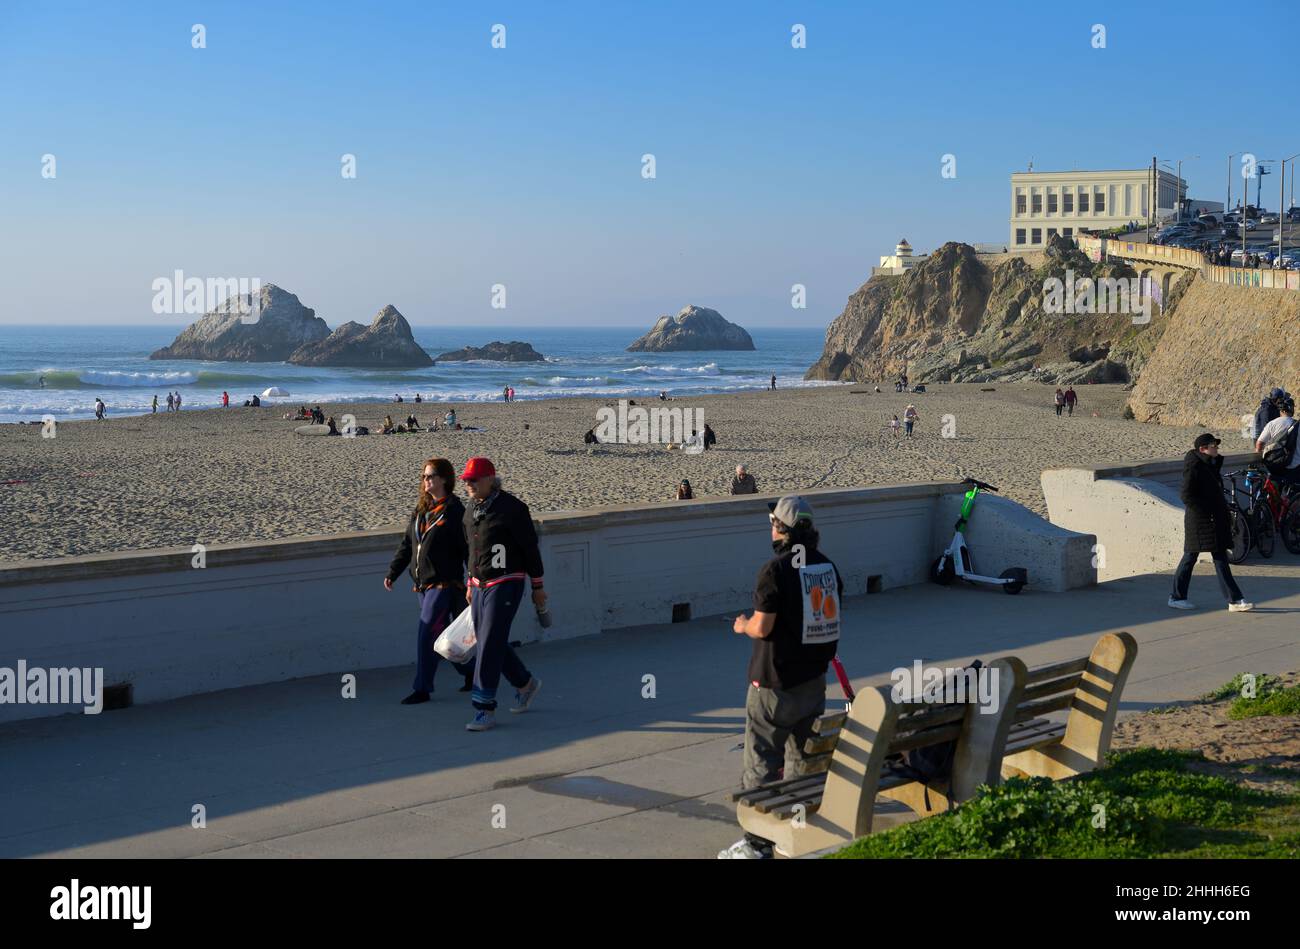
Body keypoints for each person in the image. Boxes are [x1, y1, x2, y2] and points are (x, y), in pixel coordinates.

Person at [718, 496, 843, 859]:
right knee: (802, 760)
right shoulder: (826, 567)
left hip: (775, 685)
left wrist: (743, 626)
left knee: (761, 763)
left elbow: (763, 626)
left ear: (781, 530)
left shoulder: (775, 570)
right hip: (814, 682)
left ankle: (757, 845)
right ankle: (798, 833)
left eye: (773, 522)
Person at [460, 457, 544, 731]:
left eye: (474, 480)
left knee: (489, 640)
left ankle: (484, 708)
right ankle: (525, 683)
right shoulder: (471, 508)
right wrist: (470, 584)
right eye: (466, 480)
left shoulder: (514, 509)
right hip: (480, 584)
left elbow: (530, 548)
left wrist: (538, 587)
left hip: (508, 581)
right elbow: (470, 550)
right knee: (489, 639)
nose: (469, 484)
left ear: (489, 479)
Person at [385, 457, 475, 703]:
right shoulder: (421, 510)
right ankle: (471, 672)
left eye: (431, 476)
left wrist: (472, 580)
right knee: (442, 639)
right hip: (423, 585)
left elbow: (468, 549)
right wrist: (393, 572)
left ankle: (422, 688)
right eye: (424, 476)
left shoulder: (456, 511)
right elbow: (407, 544)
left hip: (445, 584)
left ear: (444, 479)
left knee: (426, 633)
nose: (426, 480)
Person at [1169, 434, 1253, 613]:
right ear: (1203, 449)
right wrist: (1205, 512)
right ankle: (1176, 597)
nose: (1217, 448)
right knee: (1190, 557)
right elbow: (1186, 495)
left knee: (1220, 558)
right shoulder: (1194, 467)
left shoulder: (1209, 465)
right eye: (1213, 445)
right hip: (1199, 521)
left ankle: (1235, 600)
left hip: (1213, 520)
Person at [1256, 398, 1300, 487]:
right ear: (1292, 410)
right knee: (1294, 496)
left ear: (1281, 410)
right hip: (1295, 466)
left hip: (1275, 465)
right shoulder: (1298, 425)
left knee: (1276, 496)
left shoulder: (1272, 424)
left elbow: (1259, 444)